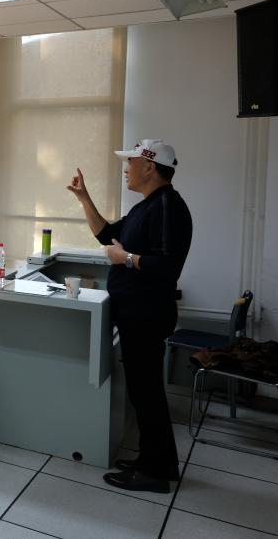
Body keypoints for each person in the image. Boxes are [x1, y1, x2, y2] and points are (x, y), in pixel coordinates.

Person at [68, 139, 192, 494]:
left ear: (149, 167)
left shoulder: (167, 206)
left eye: (131, 163)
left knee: (147, 394)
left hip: (146, 314)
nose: (126, 169)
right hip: (137, 313)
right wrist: (84, 198)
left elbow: (167, 266)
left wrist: (126, 259)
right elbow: (107, 235)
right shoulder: (146, 206)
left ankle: (153, 473)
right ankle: (159, 463)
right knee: (145, 393)